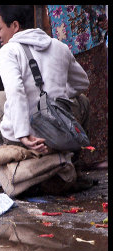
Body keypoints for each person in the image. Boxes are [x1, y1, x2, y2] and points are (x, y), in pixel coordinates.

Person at [0, 5, 90, 155]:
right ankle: (76, 157)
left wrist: (23, 134)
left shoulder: (8, 51)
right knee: (82, 100)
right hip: (59, 134)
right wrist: (57, 96)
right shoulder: (60, 47)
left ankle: (16, 150)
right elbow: (82, 83)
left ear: (15, 25)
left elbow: (16, 91)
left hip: (25, 140)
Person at [46, 5, 108, 169]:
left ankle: (77, 152)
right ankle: (94, 155)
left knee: (70, 93)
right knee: (94, 95)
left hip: (62, 32)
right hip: (84, 34)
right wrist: (102, 18)